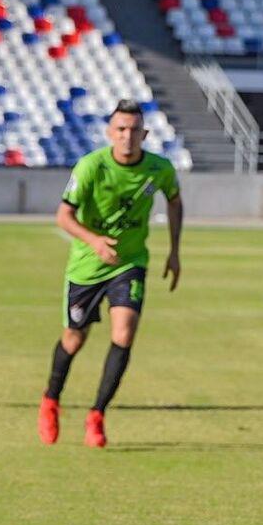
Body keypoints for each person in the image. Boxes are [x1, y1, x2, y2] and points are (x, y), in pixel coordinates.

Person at [38, 99, 183, 447]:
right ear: (109, 132)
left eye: (134, 130)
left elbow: (175, 200)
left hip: (130, 263)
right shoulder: (91, 166)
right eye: (121, 129)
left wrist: (175, 251)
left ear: (144, 134)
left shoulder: (160, 168)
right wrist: (94, 241)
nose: (127, 136)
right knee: (74, 338)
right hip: (87, 267)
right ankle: (51, 400)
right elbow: (63, 216)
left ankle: (97, 415)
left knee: (124, 333)